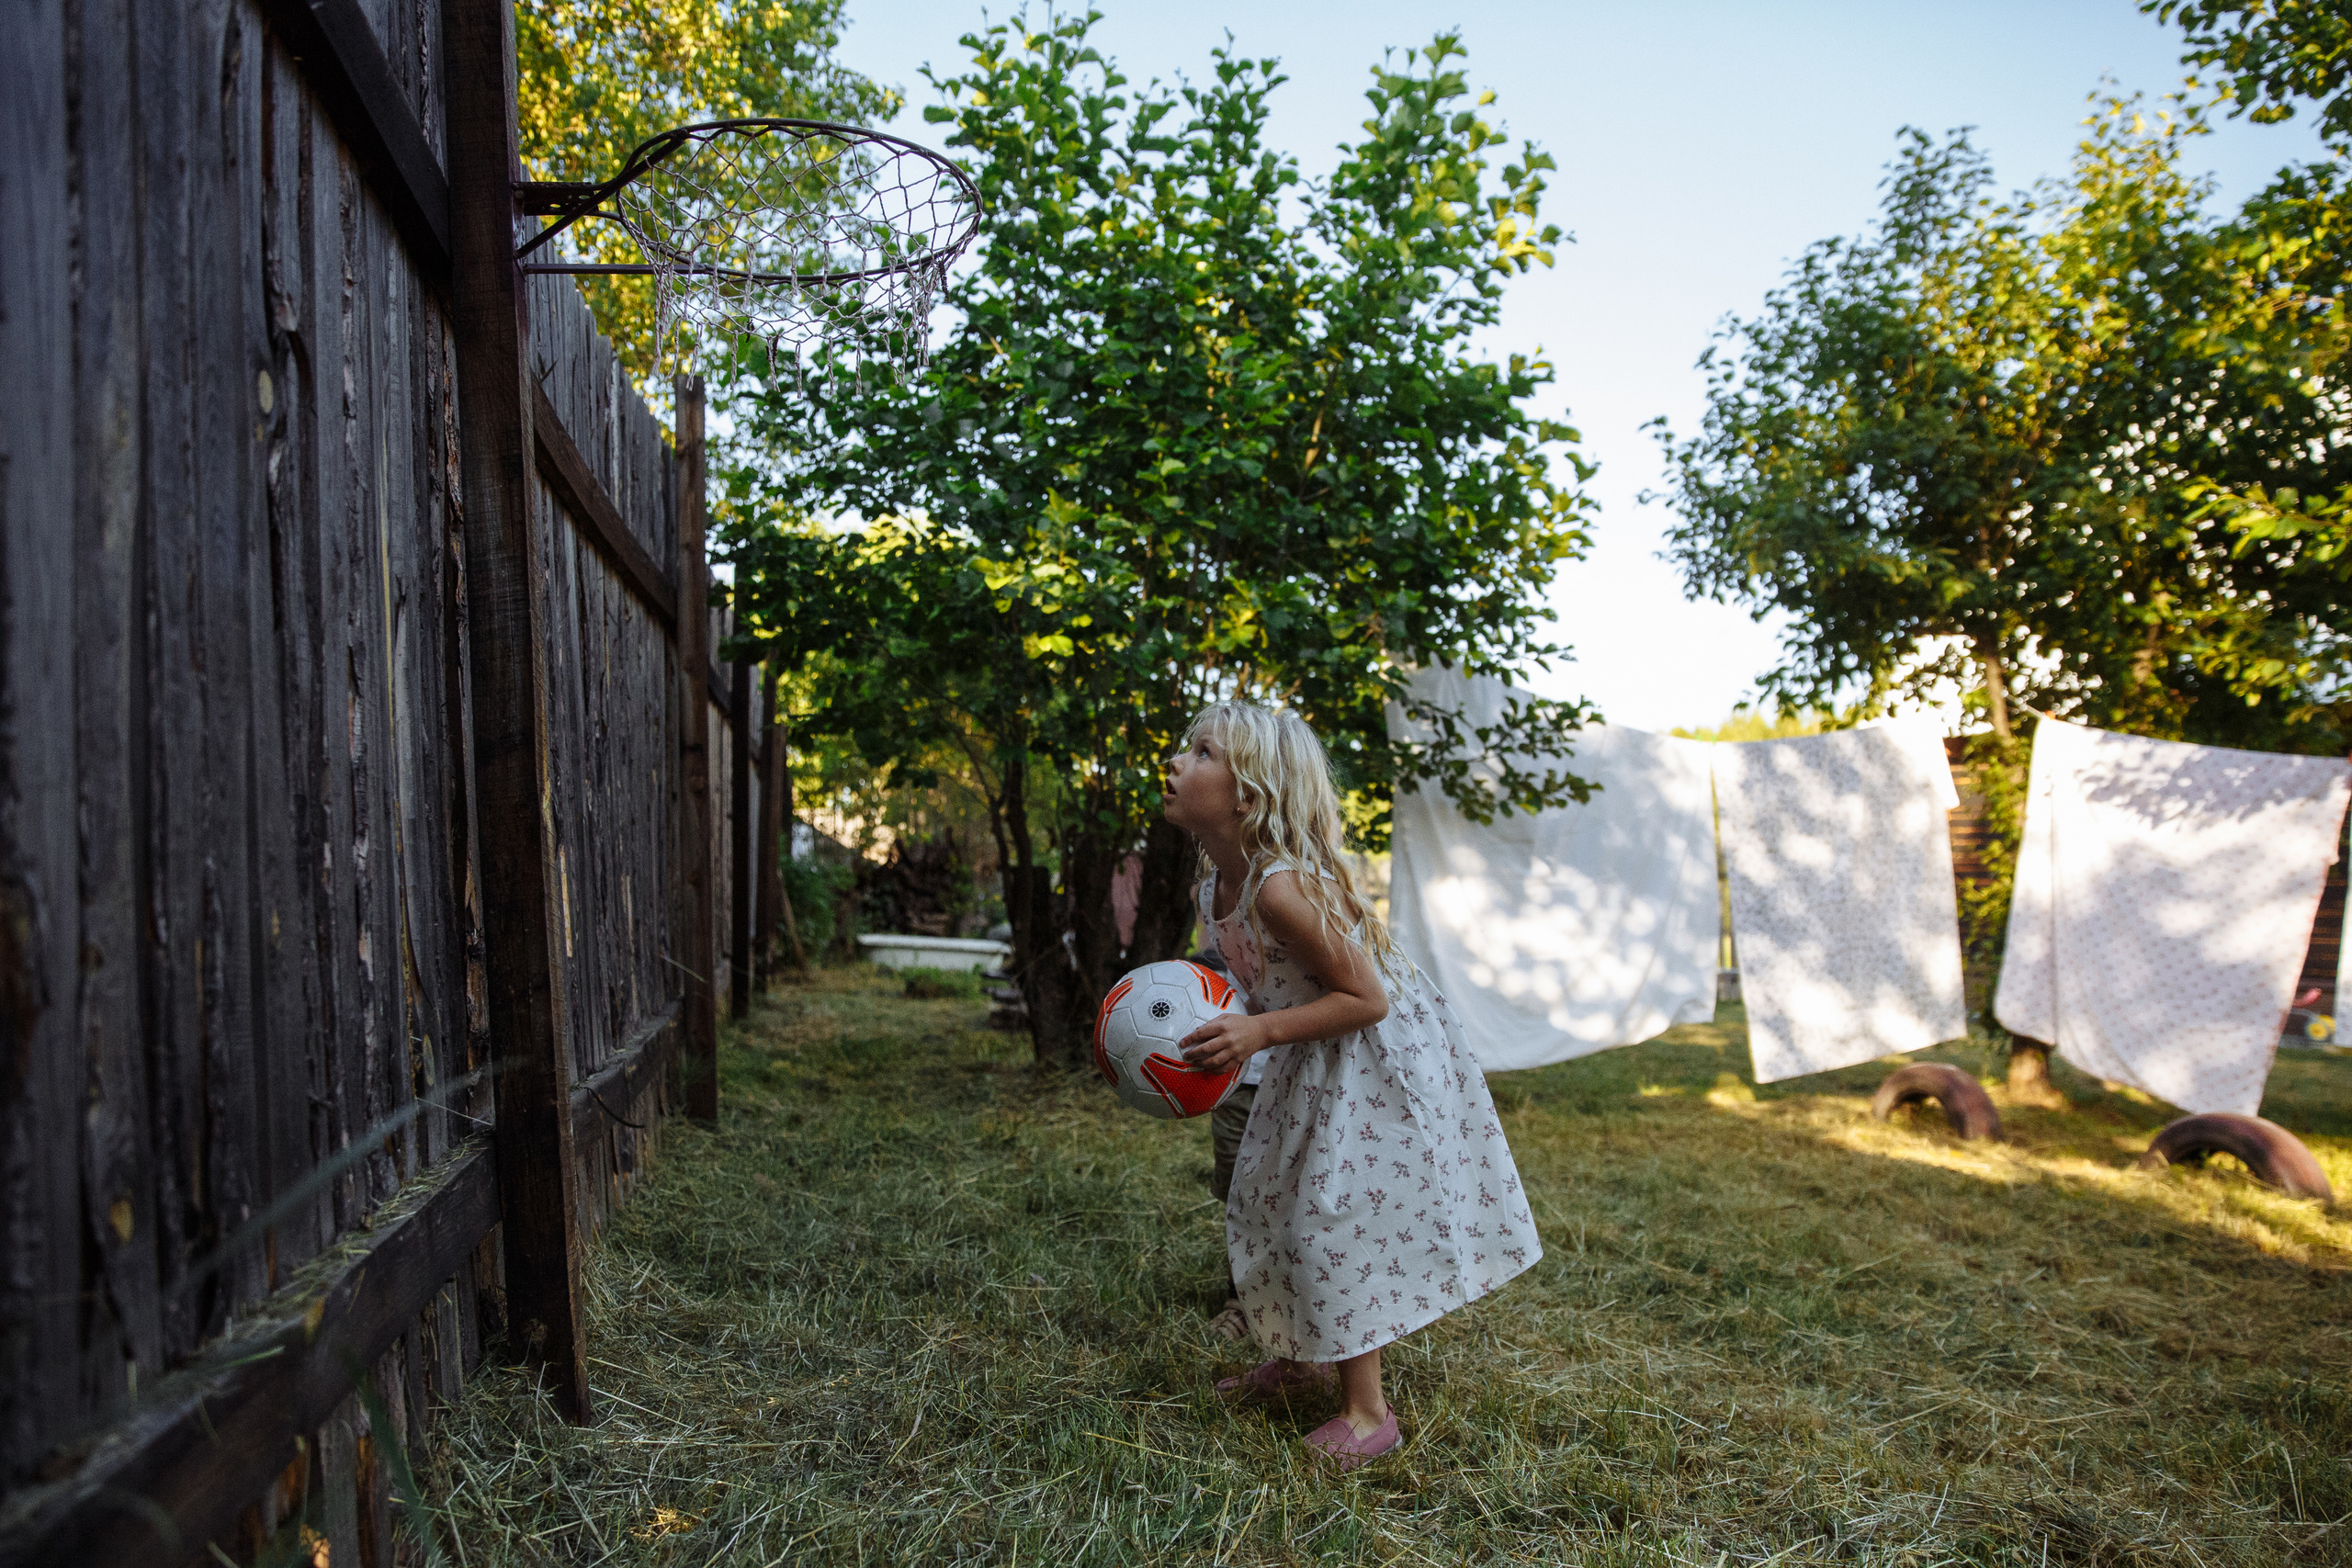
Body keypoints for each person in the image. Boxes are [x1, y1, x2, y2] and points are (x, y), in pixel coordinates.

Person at [1164, 701, 1541, 1470]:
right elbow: (1269, 983)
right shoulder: (1215, 885)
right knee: (1268, 1193)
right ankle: (1298, 1356)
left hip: (1372, 1054)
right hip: (1314, 1049)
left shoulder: (1280, 887)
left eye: (1201, 752)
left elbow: (1367, 997)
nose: (1176, 761)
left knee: (1327, 1217)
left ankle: (1368, 1413)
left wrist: (1259, 1034)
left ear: (1247, 793)